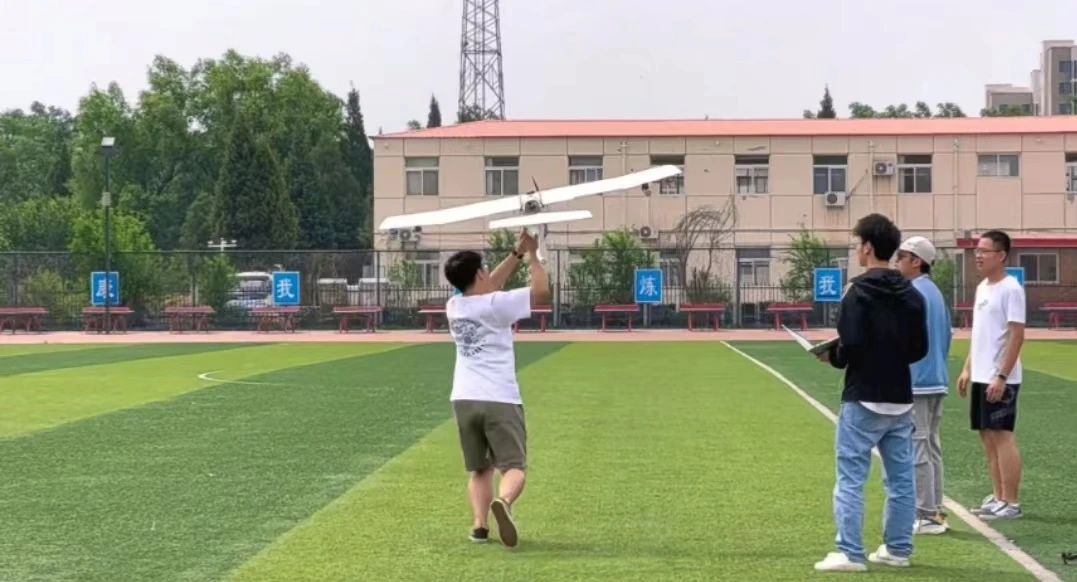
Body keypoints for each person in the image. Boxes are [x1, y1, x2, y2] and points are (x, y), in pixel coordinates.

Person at [814, 214, 928, 572]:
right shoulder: (912, 293)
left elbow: (850, 344)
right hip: (900, 396)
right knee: (901, 480)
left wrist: (833, 356)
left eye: (857, 245)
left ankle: (850, 552)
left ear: (867, 247)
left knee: (851, 477)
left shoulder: (858, 292)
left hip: (863, 394)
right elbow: (919, 348)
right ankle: (898, 549)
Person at [442, 229, 551, 548]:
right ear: (479, 273)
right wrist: (534, 257)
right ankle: (503, 502)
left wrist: (517, 253)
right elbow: (542, 293)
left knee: (479, 469)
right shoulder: (497, 305)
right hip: (499, 397)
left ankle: (479, 527)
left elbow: (488, 286)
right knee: (514, 467)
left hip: (464, 398)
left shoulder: (454, 306)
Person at [957, 229, 1026, 521]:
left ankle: (1011, 502)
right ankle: (998, 496)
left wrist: (1001, 376)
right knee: (987, 436)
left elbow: (1016, 335)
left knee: (1002, 436)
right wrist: (968, 368)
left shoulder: (1011, 289)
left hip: (1001, 378)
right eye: (977, 251)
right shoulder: (983, 287)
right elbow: (980, 333)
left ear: (1001, 255)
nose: (978, 256)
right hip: (982, 374)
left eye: (984, 251)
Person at [894, 236, 953, 535]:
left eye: (901, 257)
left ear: (916, 261)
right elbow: (947, 336)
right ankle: (935, 508)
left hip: (918, 380)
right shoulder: (935, 293)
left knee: (918, 447)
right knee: (930, 446)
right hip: (936, 378)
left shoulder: (913, 293)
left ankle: (926, 513)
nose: (897, 262)